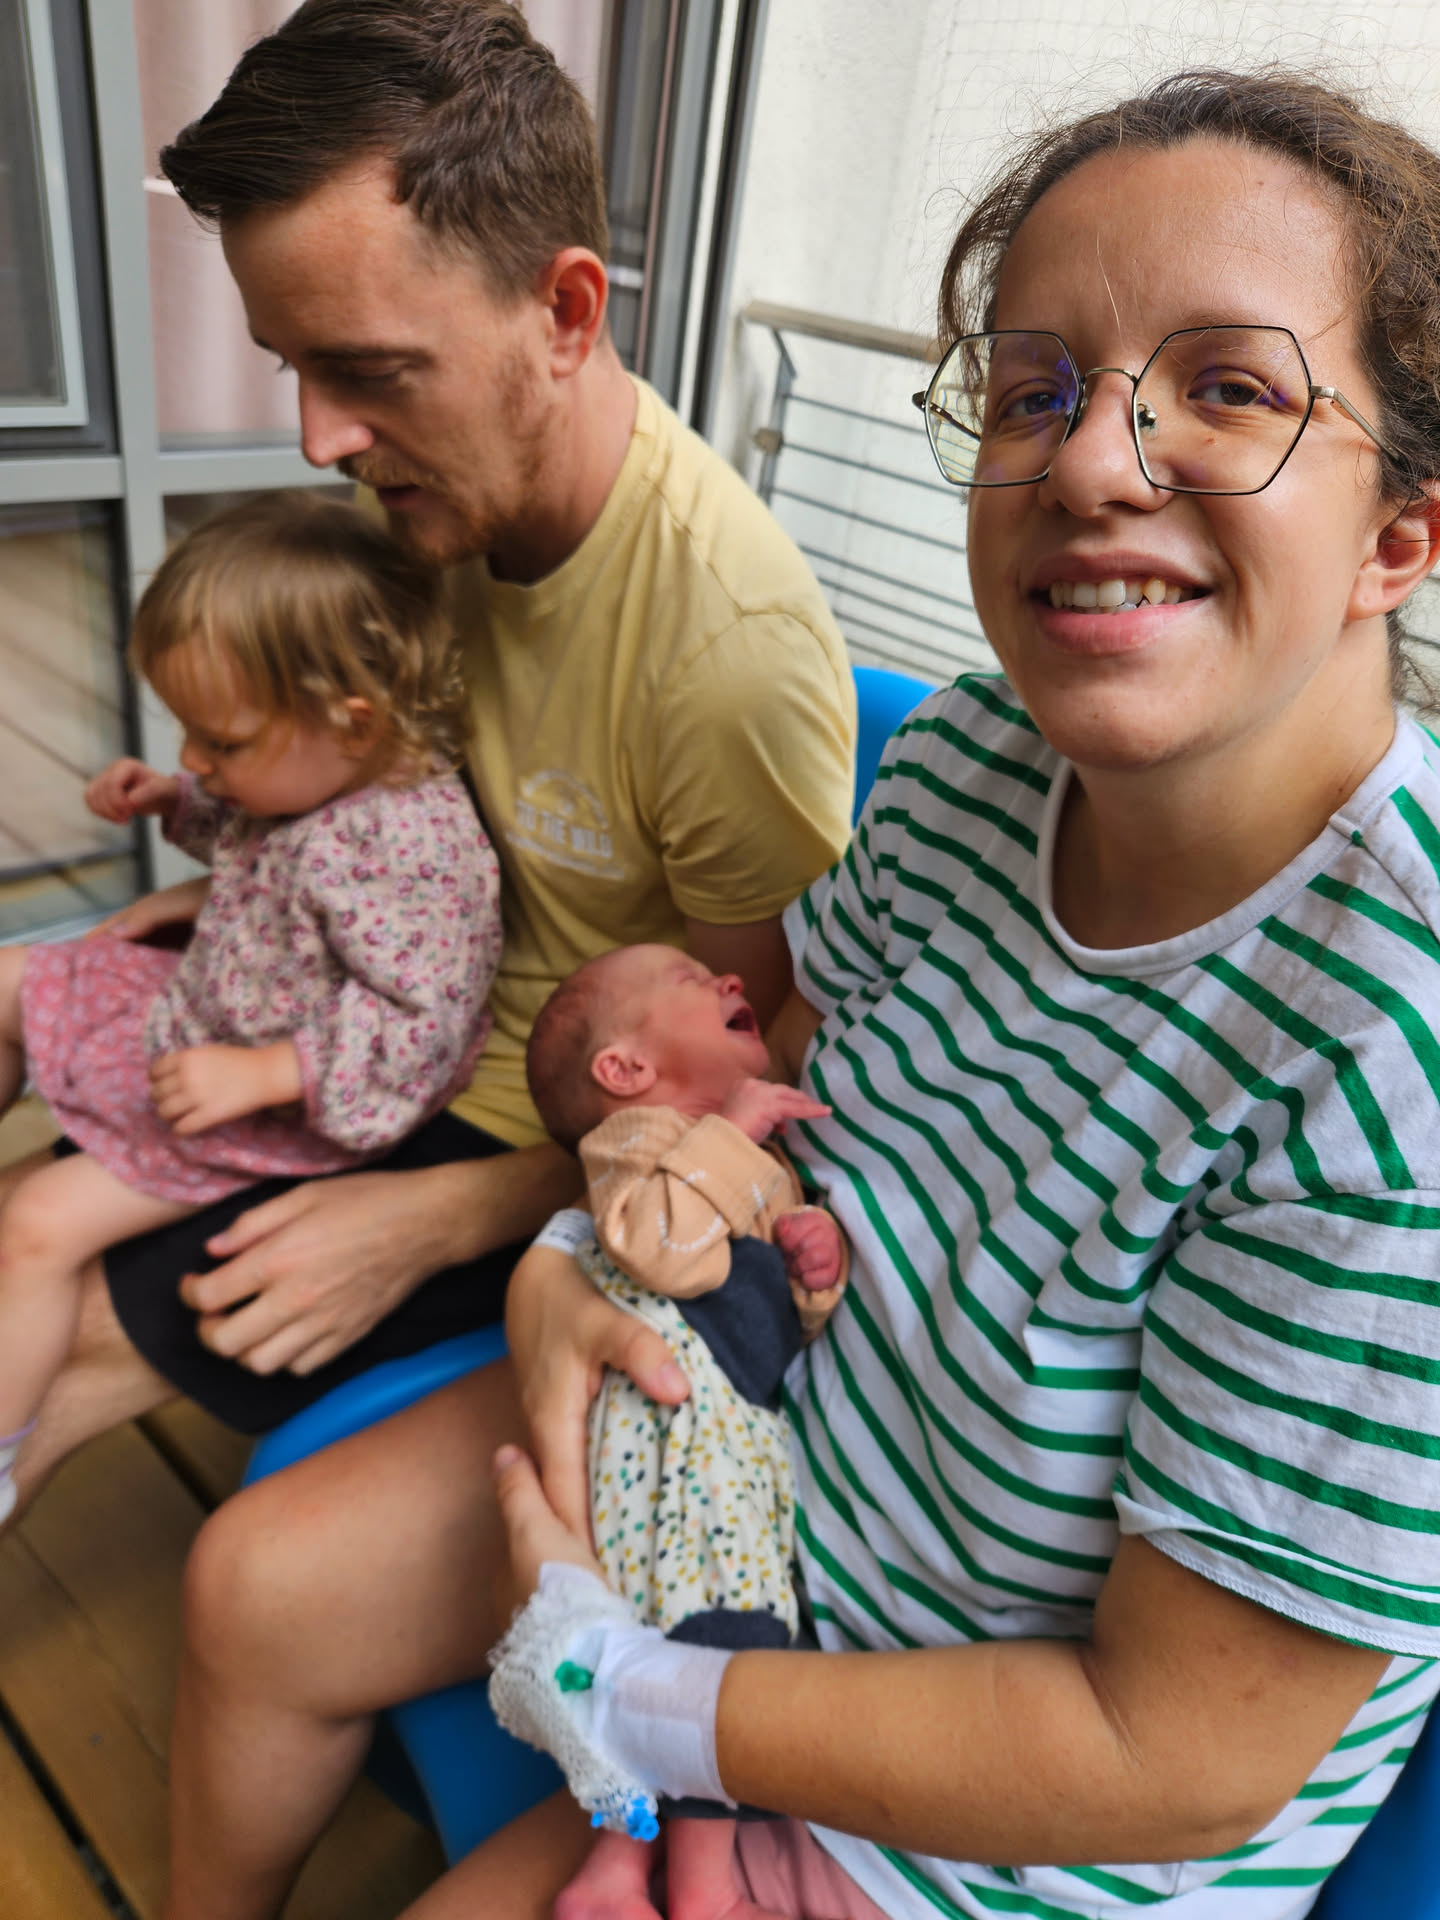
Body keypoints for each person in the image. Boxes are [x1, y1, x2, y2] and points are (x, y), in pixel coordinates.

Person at [353, 62, 1440, 1920]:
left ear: (1400, 536)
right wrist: (575, 1266)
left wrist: (633, 1696)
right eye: (1032, 390)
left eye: (1232, 388)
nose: (1091, 461)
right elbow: (761, 1083)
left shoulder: (1389, 1047)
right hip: (762, 1493)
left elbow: (1179, 1755)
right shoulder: (967, 761)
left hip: (993, 1830)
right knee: (253, 1592)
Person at [2, 0, 851, 1505]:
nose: (320, 440)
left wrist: (447, 1218)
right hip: (342, 1005)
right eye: (290, 369)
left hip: (511, 1123)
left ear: (566, 313)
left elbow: (745, 1061)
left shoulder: (728, 654)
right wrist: (216, 887)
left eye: (371, 370)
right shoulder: (417, 511)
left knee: (49, 1320)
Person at [0, 492, 498, 1524]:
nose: (195, 756)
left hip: (263, 1097)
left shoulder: (411, 849)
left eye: (218, 741)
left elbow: (423, 1025)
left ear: (353, 719)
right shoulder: (320, 771)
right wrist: (174, 801)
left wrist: (272, 1073)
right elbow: (255, 827)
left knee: (37, 1226)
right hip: (208, 1007)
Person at [512, 944, 847, 1920]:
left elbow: (772, 1323)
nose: (733, 981)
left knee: (682, 1646)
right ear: (624, 1071)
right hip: (672, 1452)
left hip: (725, 1442)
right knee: (712, 1649)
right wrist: (733, 1137)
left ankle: (615, 1867)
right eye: (695, 983)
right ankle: (701, 1888)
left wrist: (814, 1271)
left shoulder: (747, 1163)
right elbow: (663, 1250)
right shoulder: (643, 1142)